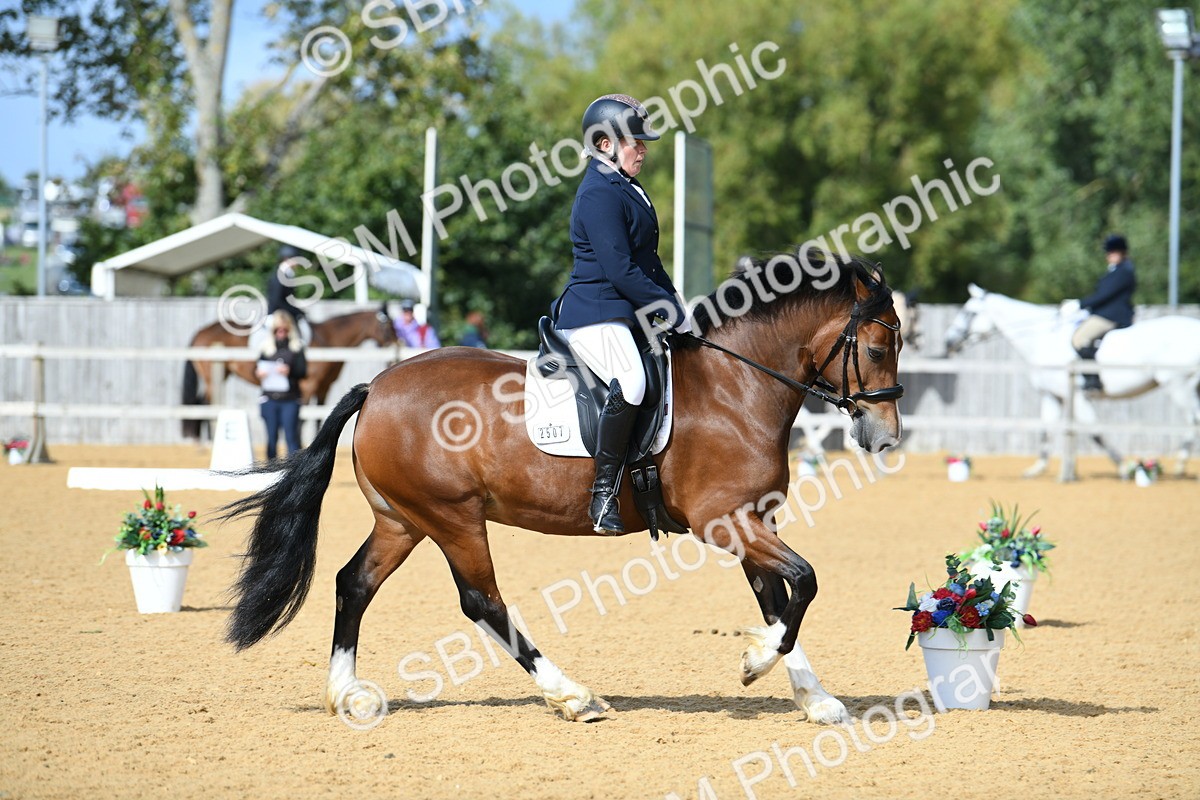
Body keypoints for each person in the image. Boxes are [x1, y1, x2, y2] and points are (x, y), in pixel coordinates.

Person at [552, 93, 690, 534]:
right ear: (606, 144)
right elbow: (620, 270)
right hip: (594, 313)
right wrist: (666, 309)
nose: (644, 148)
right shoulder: (597, 193)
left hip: (625, 312)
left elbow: (649, 262)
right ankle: (604, 492)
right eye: (636, 141)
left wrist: (679, 306)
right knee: (630, 382)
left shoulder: (628, 187)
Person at [1072, 234, 1135, 392]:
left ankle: (1092, 379)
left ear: (1122, 253)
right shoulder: (1116, 271)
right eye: (1109, 252)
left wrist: (1080, 304)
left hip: (1112, 316)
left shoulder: (1123, 272)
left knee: (1079, 338)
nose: (1110, 255)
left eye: (1114, 252)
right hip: (1104, 313)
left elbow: (1104, 295)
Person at [255, 310, 308, 461]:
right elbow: (255, 369)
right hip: (270, 398)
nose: (281, 332)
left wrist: (289, 371)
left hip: (290, 399)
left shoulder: (297, 348)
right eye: (278, 329)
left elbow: (303, 371)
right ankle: (271, 470)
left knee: (292, 438)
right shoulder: (265, 348)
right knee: (271, 438)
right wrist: (259, 373)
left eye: (284, 329)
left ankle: (294, 472)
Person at [266, 244, 312, 343]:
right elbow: (276, 300)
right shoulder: (279, 276)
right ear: (287, 259)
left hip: (284, 311)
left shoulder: (288, 275)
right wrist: (296, 311)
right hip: (276, 313)